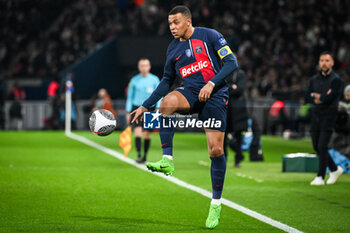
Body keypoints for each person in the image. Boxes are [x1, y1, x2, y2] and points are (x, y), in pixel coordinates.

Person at [131, 6, 238, 229]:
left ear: (188, 22)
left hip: (215, 94)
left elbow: (231, 63)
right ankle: (167, 160)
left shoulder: (210, 35)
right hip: (189, 92)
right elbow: (166, 80)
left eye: (176, 22)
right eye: (170, 23)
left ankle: (216, 203)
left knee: (215, 151)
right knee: (167, 102)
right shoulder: (172, 49)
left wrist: (211, 83)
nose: (172, 27)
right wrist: (145, 105)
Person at [305, 51, 344, 186]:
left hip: (329, 116)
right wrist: (321, 97)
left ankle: (320, 176)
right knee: (316, 146)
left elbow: (330, 98)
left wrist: (318, 96)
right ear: (319, 63)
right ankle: (334, 169)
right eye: (322, 60)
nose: (324, 63)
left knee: (322, 145)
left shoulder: (336, 80)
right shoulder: (314, 79)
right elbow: (307, 97)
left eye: (327, 60)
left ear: (332, 63)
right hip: (315, 115)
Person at [126, 58, 160, 163]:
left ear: (149, 67)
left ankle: (145, 155)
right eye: (142, 65)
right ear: (139, 67)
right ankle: (139, 155)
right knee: (137, 132)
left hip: (151, 109)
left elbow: (159, 95)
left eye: (146, 65)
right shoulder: (134, 80)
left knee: (147, 134)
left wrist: (158, 108)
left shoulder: (155, 80)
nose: (144, 67)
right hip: (136, 108)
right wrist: (128, 111)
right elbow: (130, 97)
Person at [224, 69, 248, 167]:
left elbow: (240, 90)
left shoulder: (240, 73)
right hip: (226, 109)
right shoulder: (223, 72)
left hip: (238, 110)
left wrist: (229, 88)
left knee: (238, 135)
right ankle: (224, 159)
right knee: (223, 135)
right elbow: (221, 88)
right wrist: (232, 87)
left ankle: (238, 159)